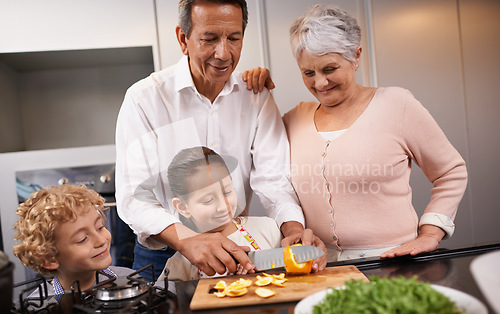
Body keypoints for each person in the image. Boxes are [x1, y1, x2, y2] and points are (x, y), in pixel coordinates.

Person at [115, 0, 327, 282]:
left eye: (234, 38)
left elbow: (273, 179)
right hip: (163, 252)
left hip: (238, 248)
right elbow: (133, 197)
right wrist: (187, 240)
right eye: (210, 39)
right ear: (183, 38)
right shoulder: (145, 99)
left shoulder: (256, 96)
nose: (223, 53)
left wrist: (293, 231)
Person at [243, 5, 468, 261]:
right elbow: (267, 169)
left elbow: (451, 172)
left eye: (329, 69)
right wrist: (250, 86)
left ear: (356, 56)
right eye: (308, 73)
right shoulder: (293, 120)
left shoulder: (397, 105)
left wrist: (431, 233)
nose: (319, 83)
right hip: (320, 267)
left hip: (392, 262)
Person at [158, 146, 282, 281]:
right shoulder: (182, 261)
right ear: (183, 207)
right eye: (208, 200)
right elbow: (169, 299)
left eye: (227, 192)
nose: (223, 207)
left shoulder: (269, 229)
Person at [12, 184, 136, 297]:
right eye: (82, 239)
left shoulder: (130, 279)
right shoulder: (39, 306)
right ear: (50, 259)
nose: (101, 240)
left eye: (100, 227)